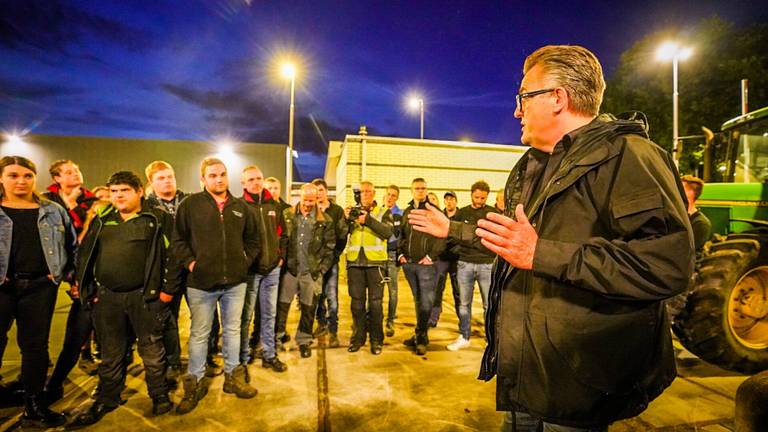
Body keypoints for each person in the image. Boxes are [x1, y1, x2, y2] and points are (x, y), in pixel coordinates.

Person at [408, 45, 694, 431]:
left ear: (558, 97)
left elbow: (666, 266)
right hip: (526, 371)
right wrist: (453, 230)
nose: (516, 111)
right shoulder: (532, 165)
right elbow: (512, 240)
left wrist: (542, 253)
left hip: (578, 382)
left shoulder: (629, 156)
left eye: (523, 98)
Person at [71, 171, 179, 426]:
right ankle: (108, 398)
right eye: (114, 191)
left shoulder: (156, 218)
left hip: (145, 298)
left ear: (139, 191)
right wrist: (89, 290)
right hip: (108, 299)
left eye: (125, 191)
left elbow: (174, 256)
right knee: (111, 352)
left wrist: (166, 291)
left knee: (152, 350)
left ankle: (159, 395)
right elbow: (86, 254)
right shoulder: (103, 218)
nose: (118, 196)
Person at [173, 158, 259, 415]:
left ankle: (233, 377)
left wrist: (244, 262)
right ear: (203, 179)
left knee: (233, 330)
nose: (219, 179)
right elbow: (178, 242)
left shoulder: (240, 207)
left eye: (222, 174)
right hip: (201, 284)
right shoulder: (190, 205)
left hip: (235, 283)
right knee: (200, 333)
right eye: (212, 175)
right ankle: (195, 383)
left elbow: (253, 241)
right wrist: (191, 265)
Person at [0, 156, 74, 428]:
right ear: (1, 178)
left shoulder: (53, 210)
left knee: (35, 348)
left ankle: (33, 404)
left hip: (40, 288)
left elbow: (71, 245)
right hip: (2, 289)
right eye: (13, 175)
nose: (21, 181)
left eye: (27, 175)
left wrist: (67, 277)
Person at [239, 166, 288, 372]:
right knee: (246, 316)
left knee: (269, 314)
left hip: (272, 270)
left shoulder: (273, 206)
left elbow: (282, 234)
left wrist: (280, 258)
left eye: (258, 178)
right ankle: (242, 357)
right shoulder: (240, 207)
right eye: (251, 179)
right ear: (243, 183)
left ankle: (269, 354)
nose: (256, 182)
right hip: (251, 272)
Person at [278, 183, 335, 359]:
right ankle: (277, 338)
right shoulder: (287, 215)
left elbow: (329, 247)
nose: (308, 204)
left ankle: (303, 340)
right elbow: (281, 240)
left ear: (317, 199)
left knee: (308, 309)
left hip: (311, 273)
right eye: (305, 200)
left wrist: (321, 270)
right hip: (290, 270)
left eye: (312, 200)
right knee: (282, 306)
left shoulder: (325, 221)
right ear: (299, 196)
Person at [144, 160, 189, 381]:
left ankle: (208, 355)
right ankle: (173, 360)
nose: (167, 181)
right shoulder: (148, 208)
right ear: (151, 183)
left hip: (191, 269)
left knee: (204, 315)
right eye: (160, 178)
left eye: (169, 176)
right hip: (165, 273)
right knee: (168, 318)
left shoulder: (189, 201)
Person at [447, 181, 499, 351]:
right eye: (476, 197)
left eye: (483, 198)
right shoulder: (462, 213)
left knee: (488, 304)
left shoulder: (492, 213)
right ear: (471, 195)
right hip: (465, 264)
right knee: (464, 303)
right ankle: (464, 336)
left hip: (486, 265)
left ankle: (490, 339)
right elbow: (453, 236)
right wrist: (461, 249)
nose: (479, 200)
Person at [344, 181, 393, 355]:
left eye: (368, 191)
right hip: (355, 264)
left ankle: (376, 340)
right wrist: (345, 219)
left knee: (376, 306)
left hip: (376, 265)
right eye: (362, 192)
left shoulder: (383, 212)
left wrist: (368, 220)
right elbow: (342, 234)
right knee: (356, 305)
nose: (365, 194)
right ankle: (358, 338)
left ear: (373, 193)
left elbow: (388, 233)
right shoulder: (352, 212)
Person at [398, 178, 444, 356]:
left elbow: (443, 236)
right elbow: (402, 233)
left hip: (426, 265)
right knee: (418, 301)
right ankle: (419, 334)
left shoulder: (433, 211)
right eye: (417, 188)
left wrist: (431, 256)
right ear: (411, 190)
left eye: (423, 188)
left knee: (426, 303)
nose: (420, 191)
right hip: (409, 264)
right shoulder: (407, 211)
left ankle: (422, 338)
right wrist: (401, 254)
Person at [311, 178, 347, 348]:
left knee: (332, 296)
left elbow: (342, 234)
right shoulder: (310, 210)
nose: (319, 193)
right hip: (315, 263)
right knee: (318, 296)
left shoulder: (336, 211)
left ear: (326, 191)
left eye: (321, 190)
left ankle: (333, 331)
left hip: (331, 262)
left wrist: (336, 254)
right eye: (316, 190)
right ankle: (322, 324)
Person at [430, 190, 460, 328]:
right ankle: (433, 317)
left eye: (451, 199)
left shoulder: (461, 216)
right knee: (437, 290)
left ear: (456, 201)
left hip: (457, 260)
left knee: (458, 291)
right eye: (447, 199)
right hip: (441, 259)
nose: (449, 202)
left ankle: (462, 319)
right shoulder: (440, 216)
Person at [382, 185, 402, 337]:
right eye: (388, 194)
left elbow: (402, 237)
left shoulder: (401, 215)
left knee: (392, 291)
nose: (390, 197)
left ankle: (390, 321)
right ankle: (373, 319)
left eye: (393, 195)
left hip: (393, 256)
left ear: (397, 197)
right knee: (376, 292)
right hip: (378, 256)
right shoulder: (378, 213)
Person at [680, 175, 712, 253]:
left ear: (690, 193)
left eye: (680, 189)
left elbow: (685, 251)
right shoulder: (680, 217)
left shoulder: (701, 223)